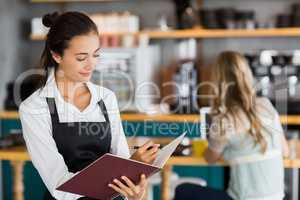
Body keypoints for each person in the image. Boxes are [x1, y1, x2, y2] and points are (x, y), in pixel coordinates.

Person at [19, 11, 160, 200]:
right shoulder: (34, 108)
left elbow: (122, 162)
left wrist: (133, 190)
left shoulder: (106, 98)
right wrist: (121, 174)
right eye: (81, 58)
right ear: (56, 55)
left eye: (96, 55)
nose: (91, 65)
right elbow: (60, 186)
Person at [203, 51, 289, 200]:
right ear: (247, 73)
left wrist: (211, 148)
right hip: (277, 197)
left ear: (217, 81)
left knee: (182, 190)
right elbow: (285, 151)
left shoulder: (224, 118)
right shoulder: (265, 105)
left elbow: (210, 158)